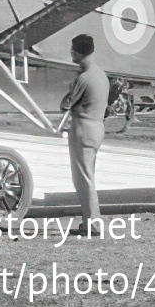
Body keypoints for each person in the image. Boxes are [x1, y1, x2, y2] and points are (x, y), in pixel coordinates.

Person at [60, 33, 107, 232]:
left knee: (83, 180)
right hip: (97, 127)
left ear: (78, 52)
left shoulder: (84, 77)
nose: (71, 54)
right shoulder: (101, 75)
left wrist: (72, 86)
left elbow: (66, 105)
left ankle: (92, 224)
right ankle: (90, 221)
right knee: (88, 177)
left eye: (73, 50)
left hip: (83, 130)